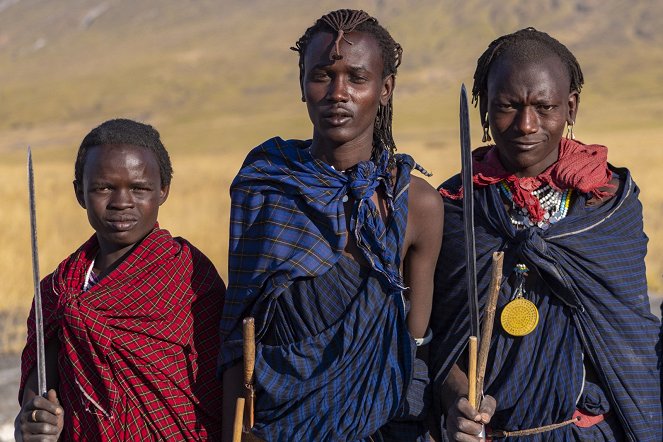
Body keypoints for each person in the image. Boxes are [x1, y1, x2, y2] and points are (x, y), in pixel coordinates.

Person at [218, 9, 444, 441]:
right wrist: (235, 431)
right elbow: (238, 329)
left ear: (385, 88)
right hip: (274, 424)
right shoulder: (266, 184)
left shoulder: (414, 204)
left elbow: (412, 346)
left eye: (357, 79)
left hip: (381, 426)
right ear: (302, 85)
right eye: (323, 75)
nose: (338, 93)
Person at [430, 28, 662, 441]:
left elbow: (629, 335)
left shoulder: (606, 206)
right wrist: (455, 402)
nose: (526, 124)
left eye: (544, 106)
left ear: (570, 108)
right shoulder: (455, 208)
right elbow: (438, 340)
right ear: (483, 109)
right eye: (506, 106)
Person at [15, 119, 225, 441]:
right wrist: (33, 425)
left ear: (163, 189)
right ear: (79, 193)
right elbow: (37, 401)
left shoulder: (189, 275)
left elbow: (224, 385)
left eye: (139, 188)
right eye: (103, 187)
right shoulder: (57, 293)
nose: (122, 202)